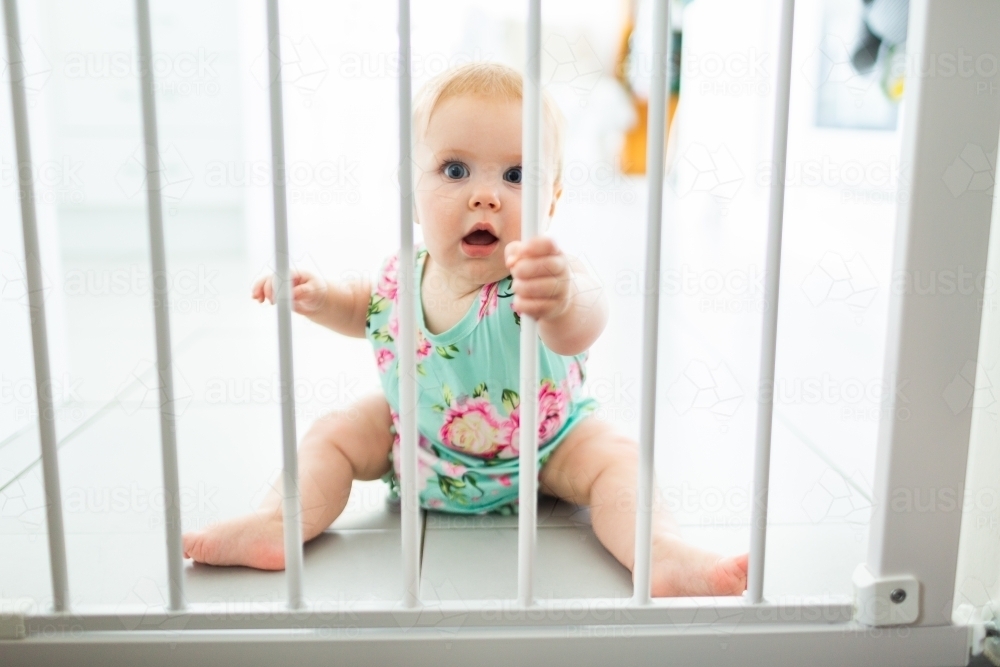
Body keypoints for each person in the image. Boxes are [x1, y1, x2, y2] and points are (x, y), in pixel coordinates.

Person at [182, 62, 748, 597]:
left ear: (552, 197)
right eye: (455, 170)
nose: (485, 194)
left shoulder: (545, 275)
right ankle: (280, 520)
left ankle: (659, 551)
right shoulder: (400, 275)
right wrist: (320, 296)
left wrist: (562, 299)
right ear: (412, 194)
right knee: (335, 431)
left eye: (516, 174)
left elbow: (582, 324)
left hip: (548, 447)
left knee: (618, 457)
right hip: (417, 443)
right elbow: (363, 309)